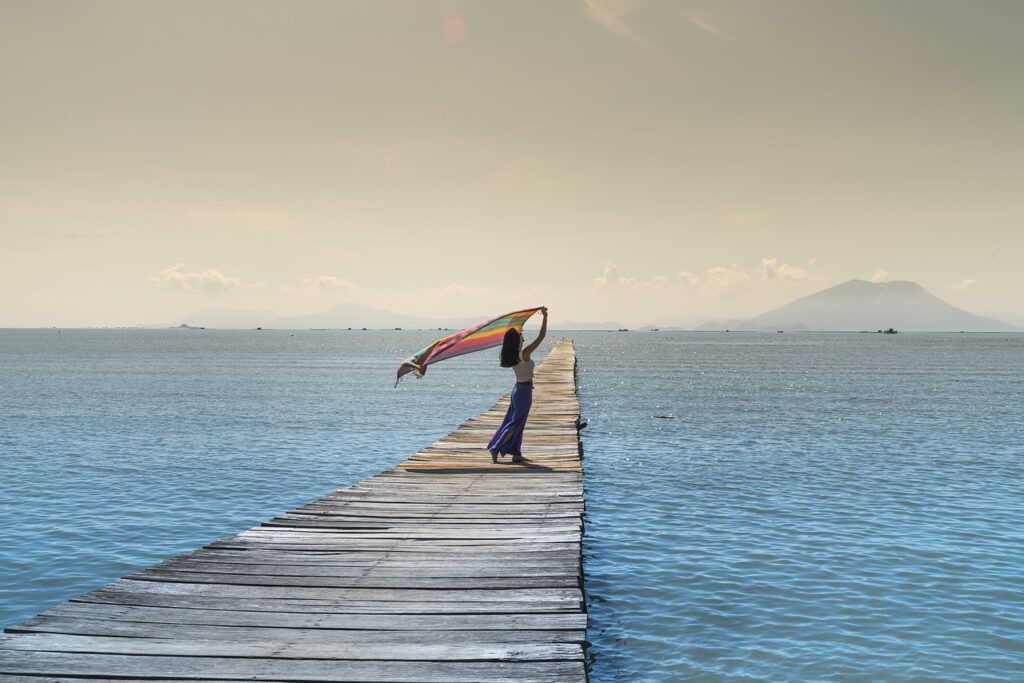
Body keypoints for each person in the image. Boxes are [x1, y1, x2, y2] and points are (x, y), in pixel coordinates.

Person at [488, 307, 548, 464]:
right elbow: (541, 336)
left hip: (519, 389)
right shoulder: (524, 354)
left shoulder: (513, 355)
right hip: (523, 391)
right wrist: (545, 317)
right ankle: (496, 447)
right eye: (522, 337)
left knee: (516, 421)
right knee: (516, 422)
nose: (524, 339)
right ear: (518, 341)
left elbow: (513, 333)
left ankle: (516, 453)